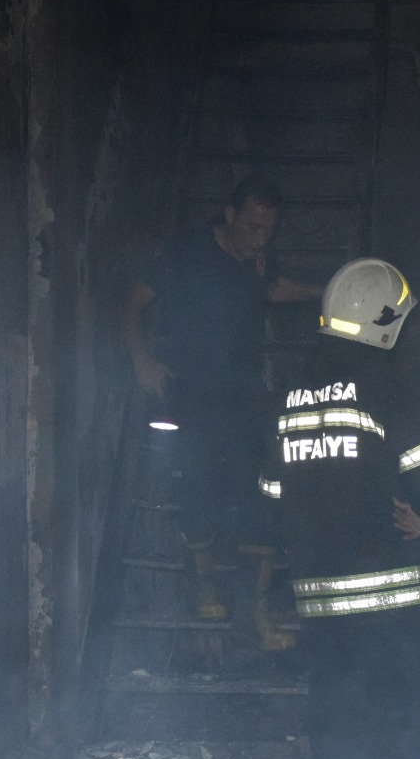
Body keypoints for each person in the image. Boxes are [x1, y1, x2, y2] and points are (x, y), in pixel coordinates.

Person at [257, 257, 420, 759]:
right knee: (406, 705)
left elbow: (270, 493)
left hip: (318, 598)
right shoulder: (388, 388)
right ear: (385, 324)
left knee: (336, 707)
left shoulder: (290, 395)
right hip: (391, 594)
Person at [117, 175, 323, 650]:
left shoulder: (257, 260)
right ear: (229, 216)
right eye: (252, 225)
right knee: (200, 485)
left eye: (268, 229)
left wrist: (326, 290)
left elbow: (272, 289)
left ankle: (254, 613)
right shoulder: (187, 252)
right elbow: (130, 302)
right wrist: (142, 359)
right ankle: (204, 585)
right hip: (192, 392)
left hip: (244, 392)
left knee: (258, 491)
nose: (260, 236)